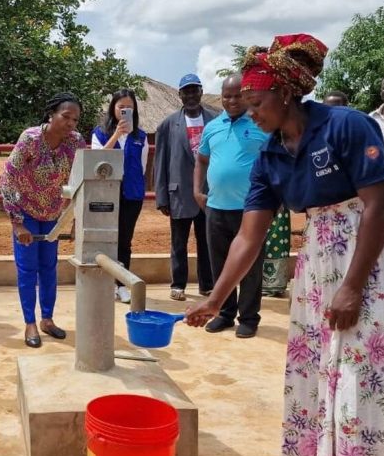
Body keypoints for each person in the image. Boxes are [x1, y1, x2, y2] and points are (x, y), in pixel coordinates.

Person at [186, 35, 384, 456]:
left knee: (359, 387)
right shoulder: (270, 154)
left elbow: (380, 204)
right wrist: (215, 296)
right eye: (245, 107)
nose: (250, 116)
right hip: (319, 263)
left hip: (370, 266)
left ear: (289, 92)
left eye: (256, 104)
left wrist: (352, 286)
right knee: (320, 381)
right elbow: (248, 237)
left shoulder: (346, 126)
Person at [1, 93, 85, 348]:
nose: (70, 123)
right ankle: (30, 323)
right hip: (26, 212)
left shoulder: (76, 142)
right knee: (27, 269)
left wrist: (72, 218)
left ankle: (47, 319)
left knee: (49, 268)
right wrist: (17, 222)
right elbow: (8, 179)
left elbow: (80, 181)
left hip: (53, 214)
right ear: (51, 114)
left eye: (75, 119)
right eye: (65, 116)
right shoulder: (30, 139)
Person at [193, 73, 268, 338]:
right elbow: (201, 160)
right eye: (227, 95)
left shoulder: (261, 124)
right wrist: (197, 190)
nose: (232, 100)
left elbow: (275, 162)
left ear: (247, 96)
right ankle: (224, 314)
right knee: (220, 263)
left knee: (250, 266)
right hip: (215, 207)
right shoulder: (212, 127)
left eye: (238, 95)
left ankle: (248, 318)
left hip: (252, 210)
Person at [155, 73, 217, 301]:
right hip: (179, 193)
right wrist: (162, 197)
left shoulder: (215, 121)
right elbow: (160, 162)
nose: (191, 95)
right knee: (178, 242)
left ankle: (207, 285)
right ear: (179, 95)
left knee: (207, 241)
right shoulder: (168, 125)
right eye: (186, 91)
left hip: (209, 193)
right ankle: (178, 284)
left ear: (201, 91)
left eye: (194, 90)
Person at [91, 89, 149, 304]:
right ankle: (104, 283)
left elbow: (142, 167)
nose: (125, 110)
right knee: (104, 238)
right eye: (121, 107)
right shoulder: (100, 133)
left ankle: (121, 285)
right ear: (113, 108)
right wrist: (116, 135)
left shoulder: (140, 137)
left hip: (132, 195)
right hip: (106, 195)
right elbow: (96, 160)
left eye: (130, 107)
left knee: (124, 241)